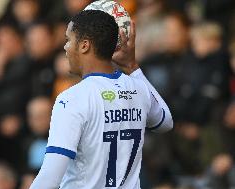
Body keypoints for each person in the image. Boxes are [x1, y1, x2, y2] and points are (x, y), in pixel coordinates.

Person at [30, 10, 173, 189]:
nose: (65, 47)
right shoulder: (138, 88)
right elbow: (166, 122)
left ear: (84, 45)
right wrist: (132, 67)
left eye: (68, 40)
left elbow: (50, 177)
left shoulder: (71, 99)